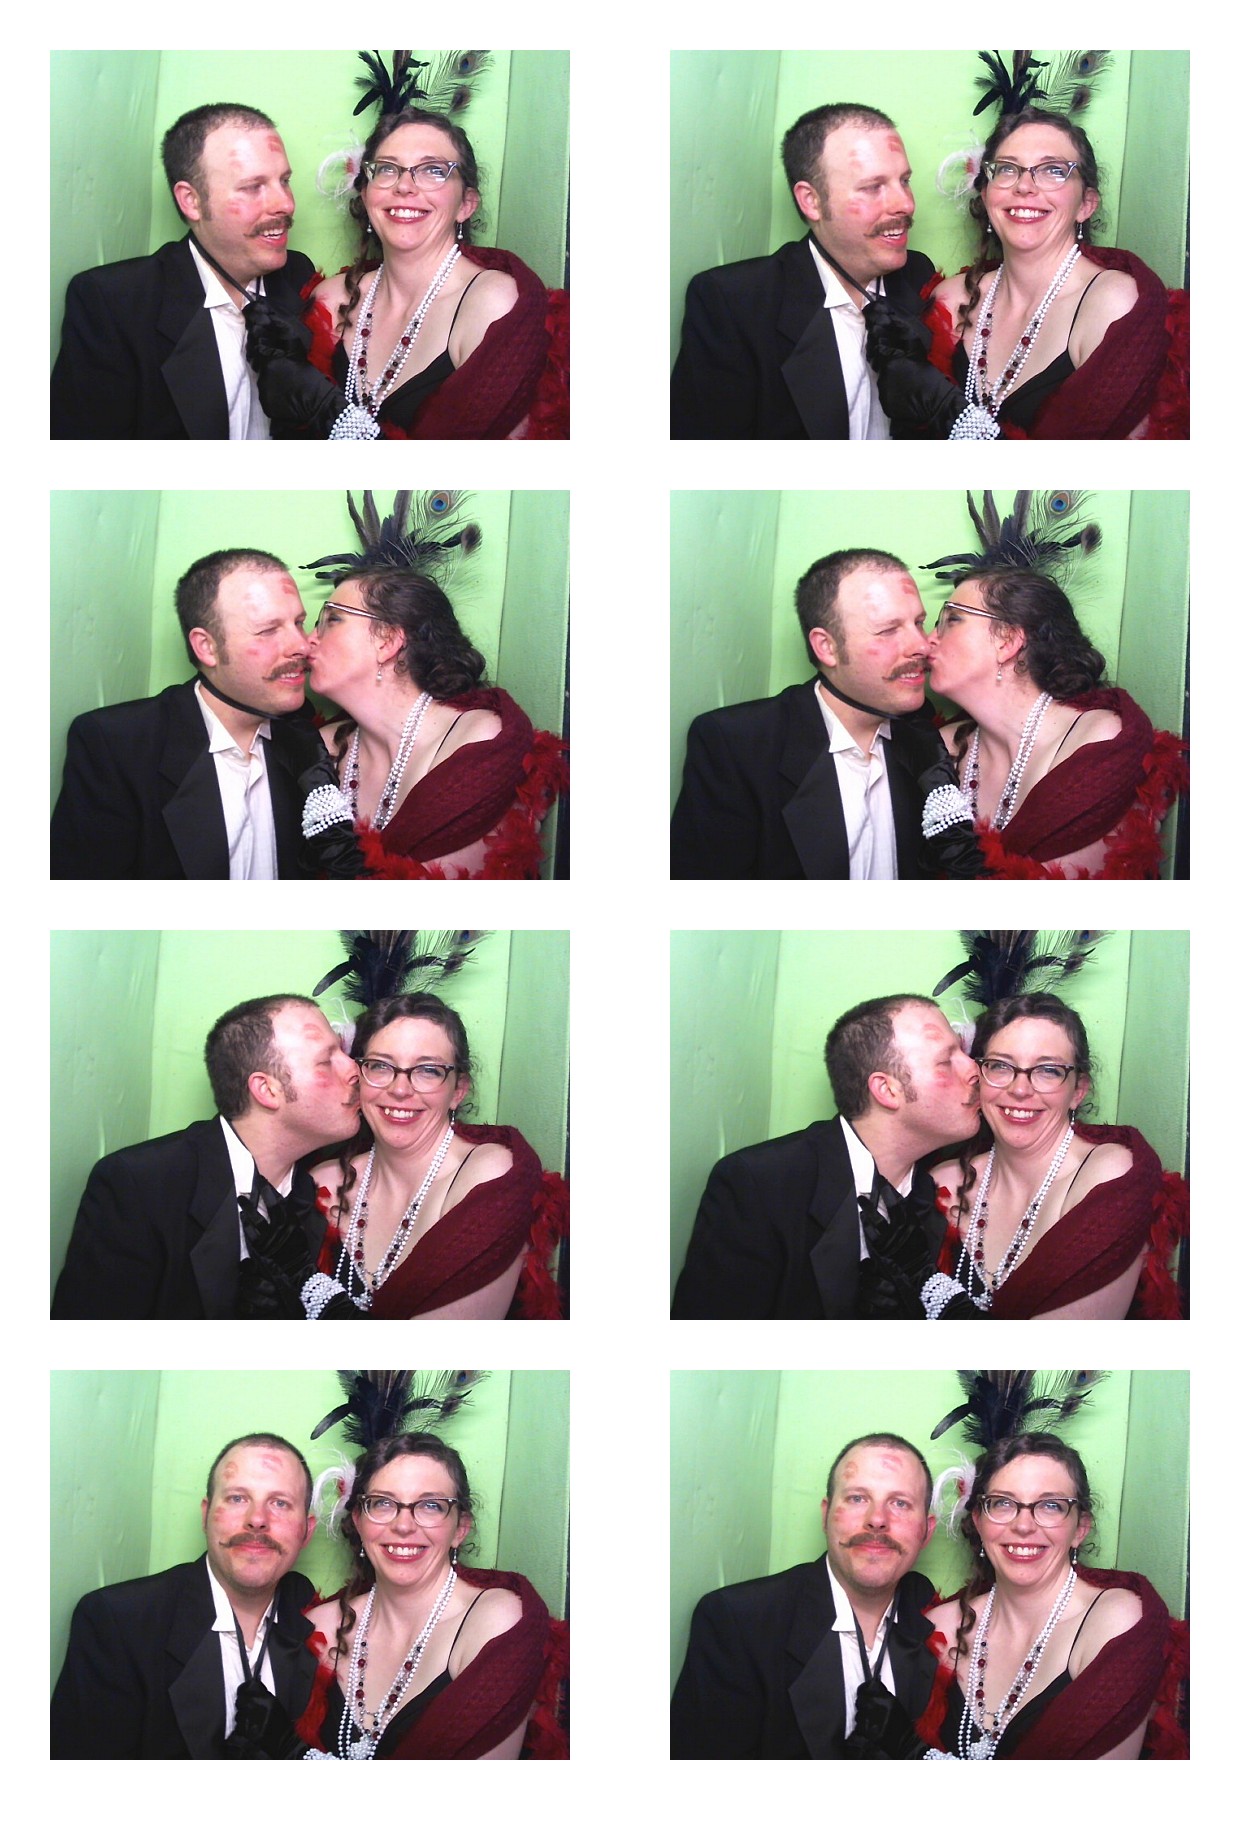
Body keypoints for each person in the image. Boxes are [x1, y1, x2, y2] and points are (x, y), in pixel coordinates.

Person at [230, 1431, 556, 1759]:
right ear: (358, 1521)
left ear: (460, 1528)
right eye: (383, 1503)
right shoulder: (319, 1628)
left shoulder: (494, 1621)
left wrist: (297, 1755)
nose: (403, 1525)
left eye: (431, 1505)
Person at [869, 109, 1184, 440]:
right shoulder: (950, 298)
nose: (1024, 186)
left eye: (1053, 170)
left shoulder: (1112, 304)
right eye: (1007, 168)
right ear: (986, 195)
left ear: (1086, 204)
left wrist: (945, 411)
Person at [246, 107, 550, 439]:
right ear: (366, 195)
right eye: (387, 169)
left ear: (466, 204)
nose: (405, 186)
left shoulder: (492, 304)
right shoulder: (330, 300)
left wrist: (326, 410)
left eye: (433, 170)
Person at [52, 995, 361, 1318]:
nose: (354, 1068)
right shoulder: (139, 1185)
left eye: (343, 1052)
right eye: (326, 1060)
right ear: (267, 1090)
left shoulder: (313, 1195)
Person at [672, 994, 980, 1318]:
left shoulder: (932, 1196)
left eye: (963, 1051)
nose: (974, 1068)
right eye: (946, 1061)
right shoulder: (759, 1185)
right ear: (887, 1090)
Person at [671, 550, 947, 880]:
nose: (922, 645)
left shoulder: (922, 736)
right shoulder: (737, 746)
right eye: (888, 630)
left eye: (918, 623)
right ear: (827, 647)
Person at [51, 549, 320, 880]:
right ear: (207, 647)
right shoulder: (117, 746)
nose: (302, 646)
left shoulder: (303, 738)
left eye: (299, 623)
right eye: (268, 630)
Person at [670, 104, 936, 439]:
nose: (906, 204)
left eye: (905, 181)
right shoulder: (734, 305)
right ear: (811, 201)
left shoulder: (918, 275)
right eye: (873, 187)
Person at [51, 104, 315, 439]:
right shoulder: (114, 305)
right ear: (191, 201)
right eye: (253, 186)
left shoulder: (298, 275)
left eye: (285, 181)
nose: (286, 204)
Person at [51, 1433, 319, 1757]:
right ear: (205, 1515)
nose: (257, 1520)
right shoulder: (118, 1623)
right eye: (237, 1498)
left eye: (280, 1503)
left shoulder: (316, 1617)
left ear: (307, 1531)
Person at [671, 1433, 940, 1757]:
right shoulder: (738, 1623)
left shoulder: (936, 1617)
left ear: (927, 1531)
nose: (877, 1520)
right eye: (857, 1498)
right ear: (825, 1516)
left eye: (900, 1503)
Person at [298, 560, 565, 880]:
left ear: (387, 641)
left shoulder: (478, 744)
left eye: (332, 619)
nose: (307, 640)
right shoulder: (319, 750)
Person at [303, 993, 565, 1319]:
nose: (400, 1090)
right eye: (380, 1066)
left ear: (458, 1090)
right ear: (359, 1077)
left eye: (428, 1070)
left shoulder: (487, 1175)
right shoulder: (321, 1184)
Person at [926, 994, 1185, 1319]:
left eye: (1048, 1070)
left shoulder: (1108, 1175)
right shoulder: (941, 1184)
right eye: (1001, 1066)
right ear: (978, 1077)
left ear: (1078, 1091)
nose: (1020, 1090)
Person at [921, 1434, 1172, 1757]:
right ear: (978, 1522)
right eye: (1003, 1503)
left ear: (1080, 1528)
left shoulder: (1114, 1621)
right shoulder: (938, 1628)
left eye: (1051, 1505)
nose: (1024, 1526)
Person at [925, 568, 1186, 877]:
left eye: (952, 619)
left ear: (1007, 640)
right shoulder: (940, 748)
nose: (928, 640)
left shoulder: (1098, 743)